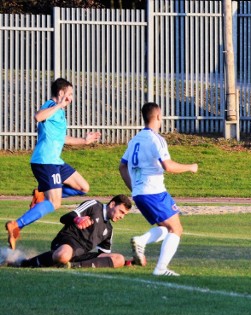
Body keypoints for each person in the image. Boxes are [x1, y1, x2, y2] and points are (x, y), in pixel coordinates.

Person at [5, 78, 102, 250]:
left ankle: (42, 196)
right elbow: (38, 116)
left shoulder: (59, 113)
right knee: (55, 203)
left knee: (83, 187)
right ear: (61, 93)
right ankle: (17, 225)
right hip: (45, 161)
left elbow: (61, 138)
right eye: (70, 94)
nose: (71, 98)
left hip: (55, 162)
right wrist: (59, 105)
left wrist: (84, 141)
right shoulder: (50, 105)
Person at [119, 102, 198, 276]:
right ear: (157, 117)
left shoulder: (135, 139)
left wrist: (134, 188)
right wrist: (190, 167)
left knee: (167, 227)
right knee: (176, 229)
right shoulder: (157, 139)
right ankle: (160, 269)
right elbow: (168, 166)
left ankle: (142, 240)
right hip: (154, 192)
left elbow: (122, 166)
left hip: (141, 193)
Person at [12, 195, 133, 269]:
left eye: (125, 214)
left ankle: (73, 266)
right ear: (112, 204)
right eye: (121, 212)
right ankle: (25, 263)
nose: (122, 216)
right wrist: (78, 219)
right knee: (64, 255)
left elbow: (104, 255)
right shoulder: (95, 206)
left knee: (119, 259)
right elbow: (64, 218)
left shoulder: (109, 230)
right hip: (67, 241)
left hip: (80, 255)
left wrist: (129, 262)